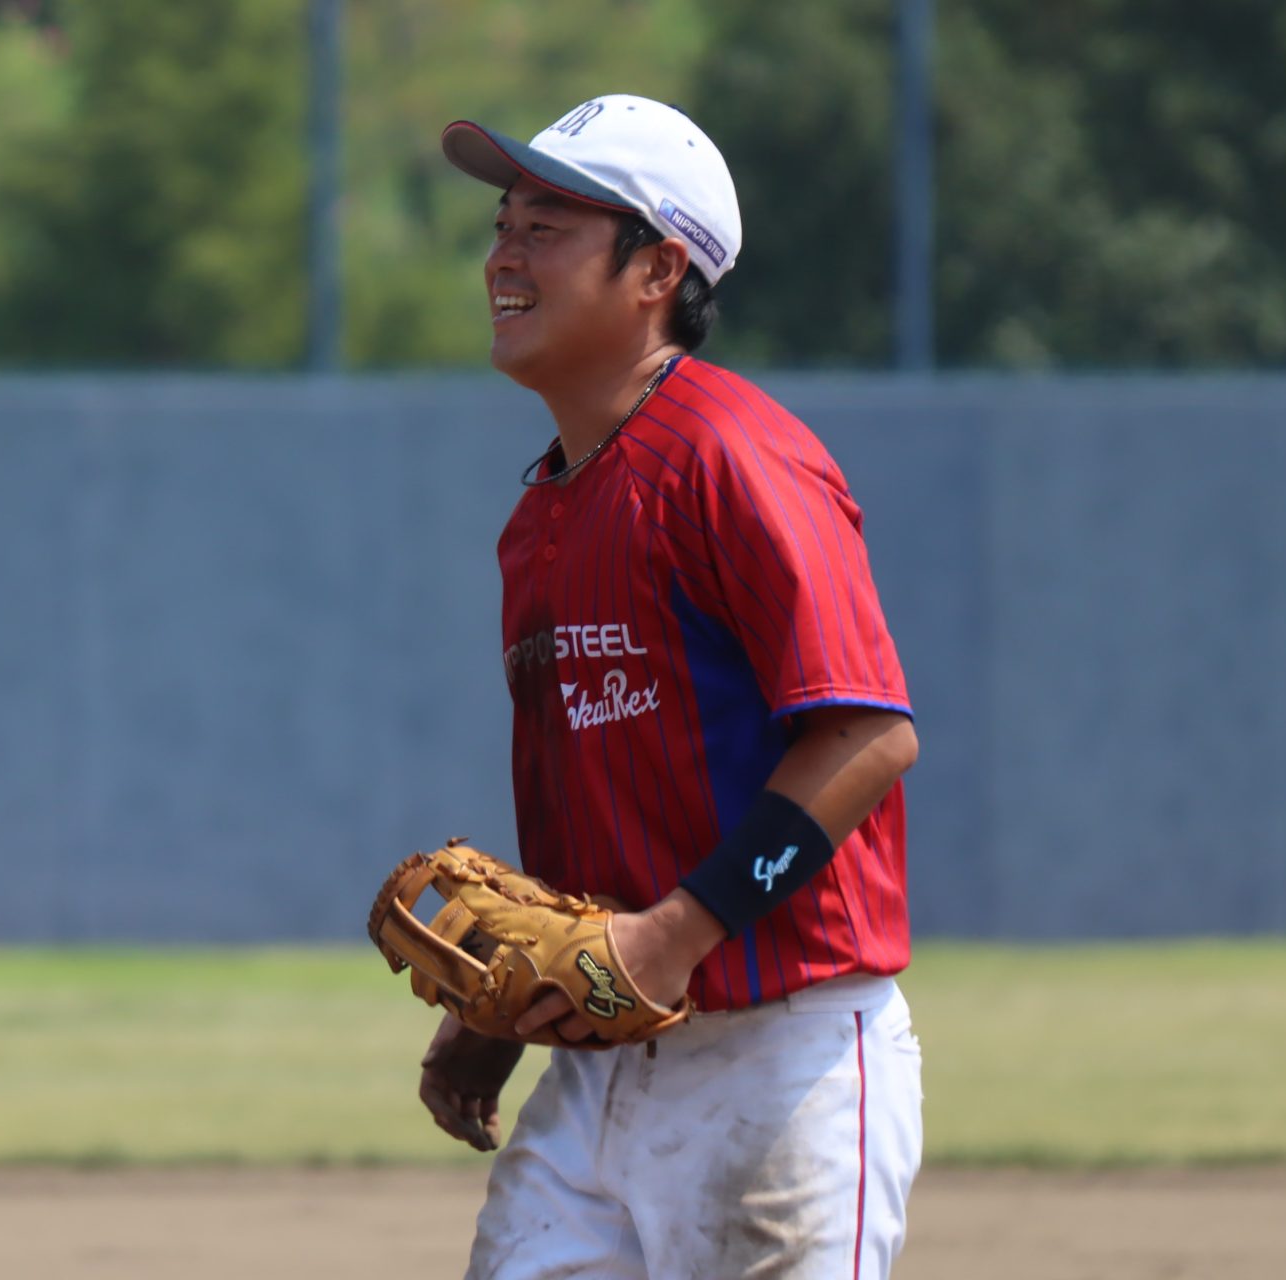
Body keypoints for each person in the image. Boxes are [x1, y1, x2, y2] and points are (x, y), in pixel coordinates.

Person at [422, 93, 924, 1279]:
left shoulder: (733, 454)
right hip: (600, 1064)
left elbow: (866, 733)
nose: (504, 254)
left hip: (781, 1061)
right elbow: (606, 821)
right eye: (504, 223)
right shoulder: (544, 512)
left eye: (549, 227)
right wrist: (505, 1010)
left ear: (658, 268)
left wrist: (677, 932)